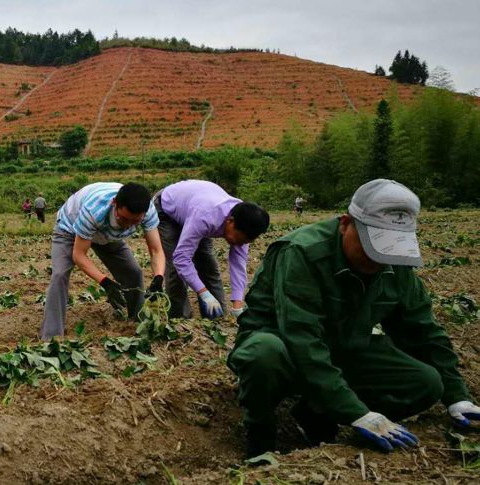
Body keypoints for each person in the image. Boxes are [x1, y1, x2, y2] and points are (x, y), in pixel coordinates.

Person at [228, 179, 480, 458]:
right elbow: (302, 338)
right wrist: (356, 412)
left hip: (343, 345)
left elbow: (423, 331)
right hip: (285, 347)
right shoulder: (302, 252)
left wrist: (458, 396)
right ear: (345, 224)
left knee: (426, 383)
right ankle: (260, 439)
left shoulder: (394, 264)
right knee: (262, 353)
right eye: (371, 246)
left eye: (389, 250)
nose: (378, 260)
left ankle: (316, 412)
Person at [40, 182, 166, 340]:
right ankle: (51, 336)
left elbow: (156, 250)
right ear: (115, 204)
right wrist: (104, 282)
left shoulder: (147, 212)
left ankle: (136, 322)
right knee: (59, 275)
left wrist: (158, 278)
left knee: (133, 273)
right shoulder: (94, 210)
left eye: (134, 222)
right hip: (70, 228)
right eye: (124, 220)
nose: (127, 226)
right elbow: (79, 255)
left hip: (107, 235)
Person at [153, 180, 269, 320]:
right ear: (230, 221)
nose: (239, 244)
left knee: (208, 266)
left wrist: (237, 305)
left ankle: (216, 318)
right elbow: (181, 259)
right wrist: (203, 293)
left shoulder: (245, 224)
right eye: (238, 239)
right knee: (176, 271)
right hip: (167, 210)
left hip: (194, 210)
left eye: (244, 242)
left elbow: (238, 265)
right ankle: (180, 320)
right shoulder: (206, 217)